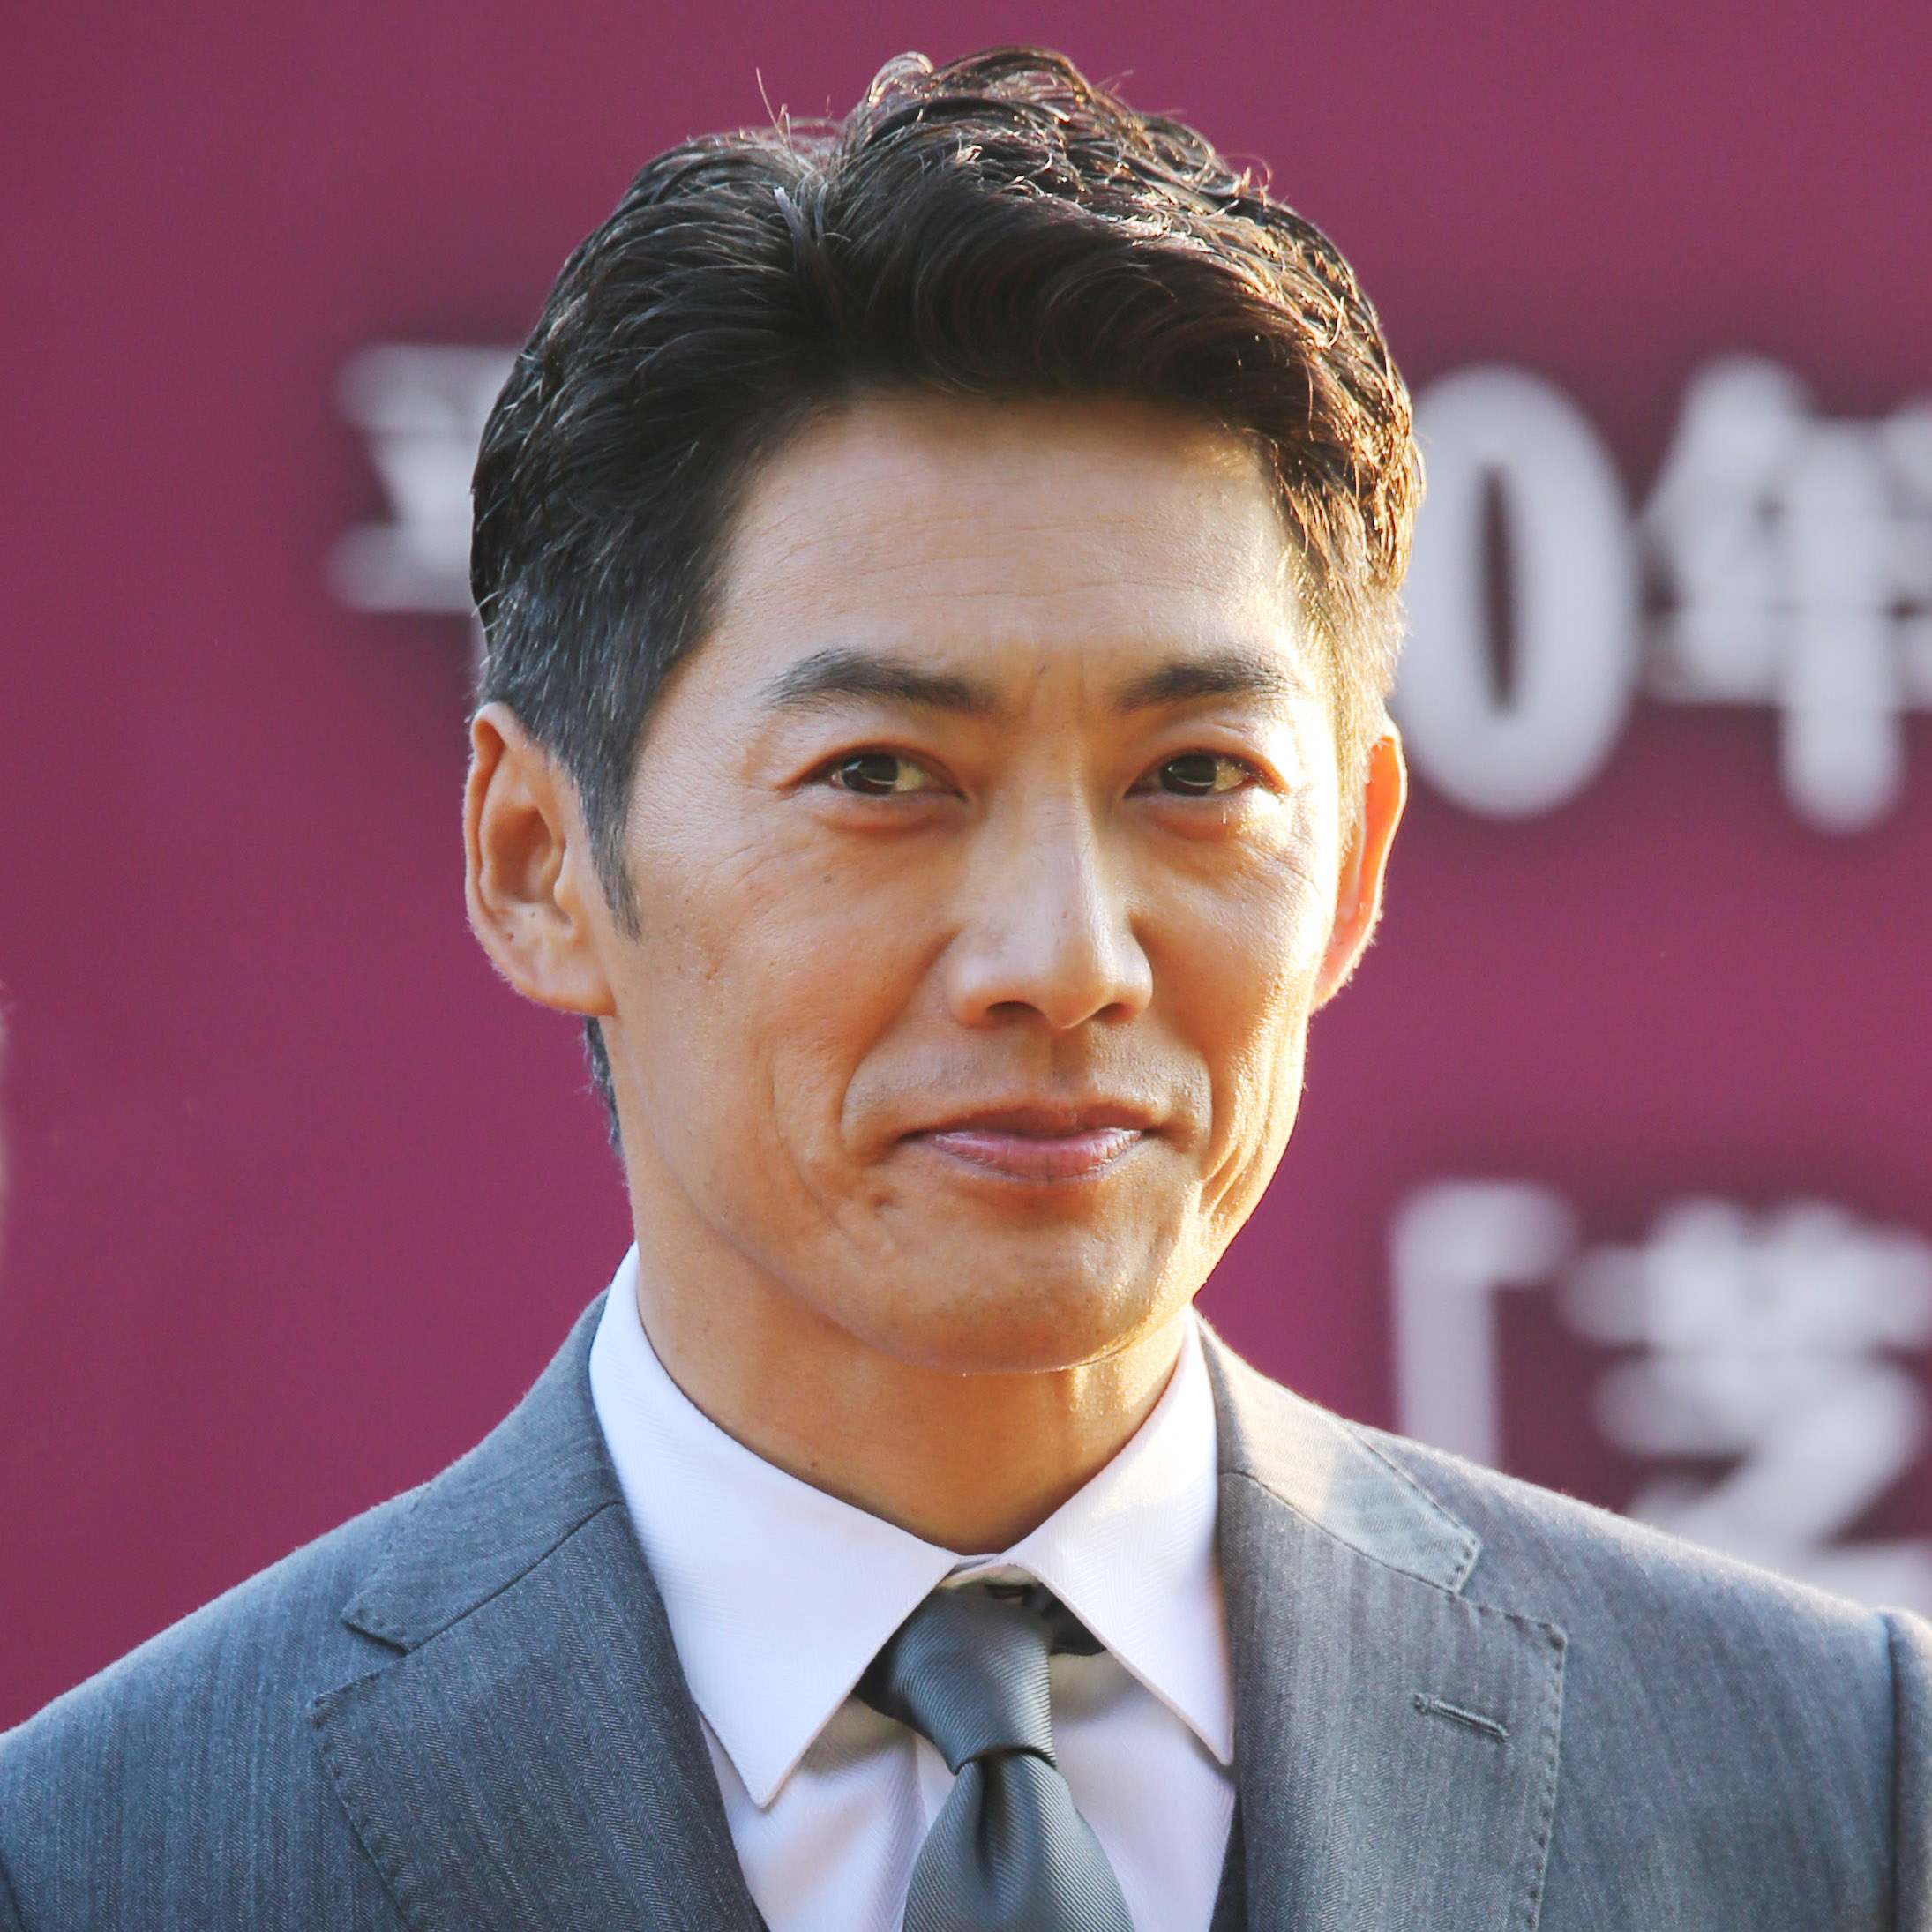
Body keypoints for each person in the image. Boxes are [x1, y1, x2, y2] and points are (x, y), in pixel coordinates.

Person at [1, 46, 1925, 1932]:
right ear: (536, 859)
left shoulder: (1829, 1793)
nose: (1065, 961)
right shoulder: (102, 1861)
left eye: (1196, 776)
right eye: (882, 776)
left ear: (1352, 863)